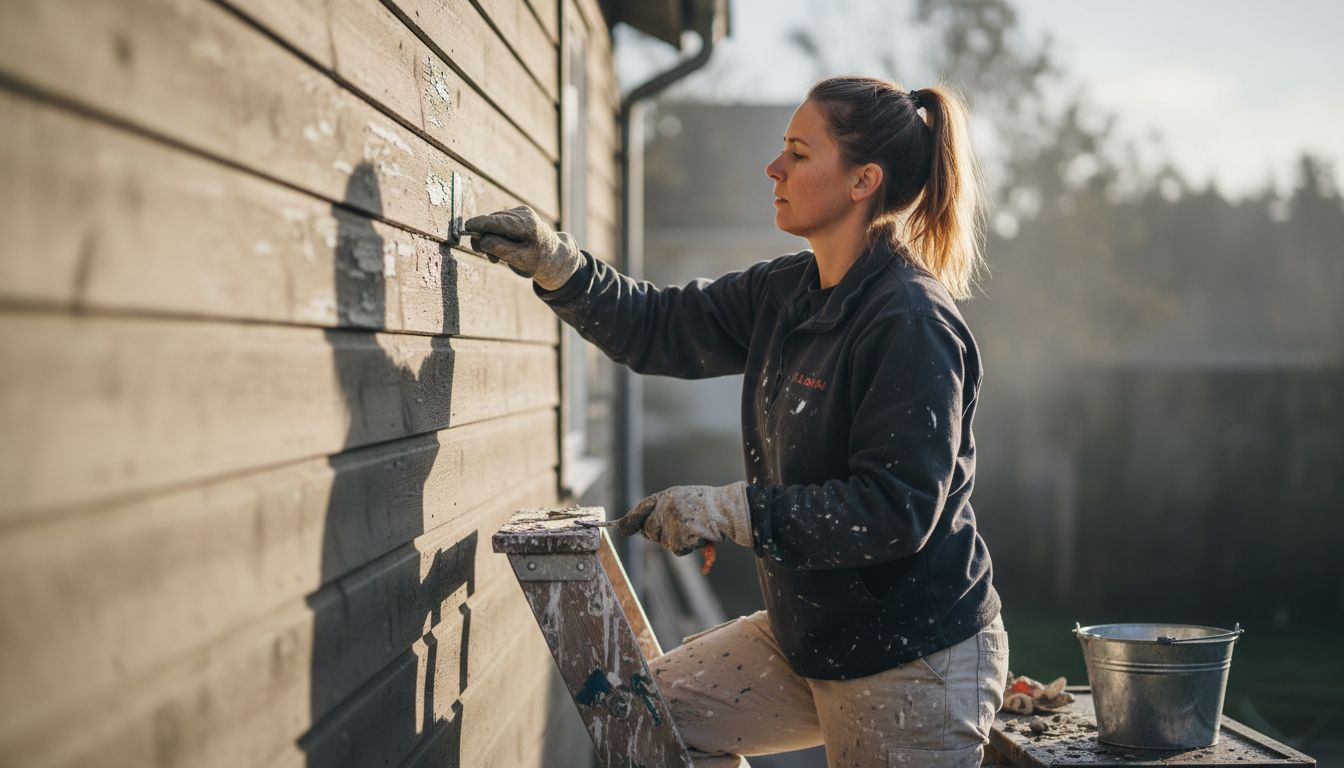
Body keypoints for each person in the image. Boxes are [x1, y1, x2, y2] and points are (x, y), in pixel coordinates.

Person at [466, 76, 1008, 768]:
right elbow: (659, 327)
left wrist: (731, 510)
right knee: (637, 720)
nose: (773, 168)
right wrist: (559, 265)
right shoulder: (785, 293)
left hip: (912, 662)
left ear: (862, 181)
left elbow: (895, 510)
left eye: (799, 154)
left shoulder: (911, 322)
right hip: (811, 638)